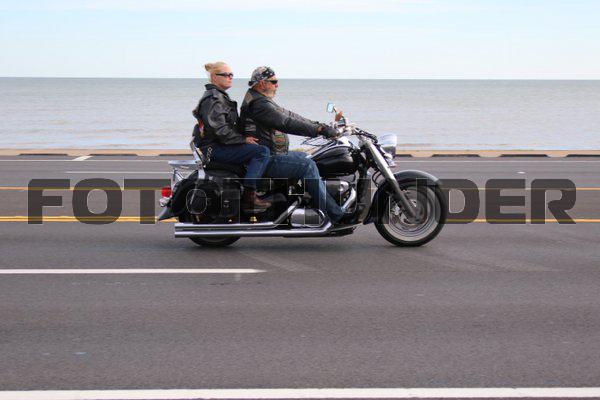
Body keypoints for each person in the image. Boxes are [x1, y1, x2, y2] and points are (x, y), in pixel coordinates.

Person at [239, 66, 346, 223]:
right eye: (273, 81)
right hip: (266, 158)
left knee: (307, 156)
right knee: (307, 166)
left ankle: (307, 200)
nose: (277, 85)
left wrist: (319, 125)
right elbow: (286, 122)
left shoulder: (260, 99)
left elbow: (290, 115)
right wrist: (320, 130)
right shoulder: (259, 104)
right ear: (262, 83)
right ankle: (336, 215)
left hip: (270, 153)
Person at [193, 62, 271, 211]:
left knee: (257, 149)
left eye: (231, 75)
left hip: (217, 146)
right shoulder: (214, 99)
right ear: (214, 77)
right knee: (261, 152)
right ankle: (250, 196)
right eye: (226, 75)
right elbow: (220, 130)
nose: (230, 78)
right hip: (215, 148)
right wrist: (243, 139)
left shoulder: (219, 96)